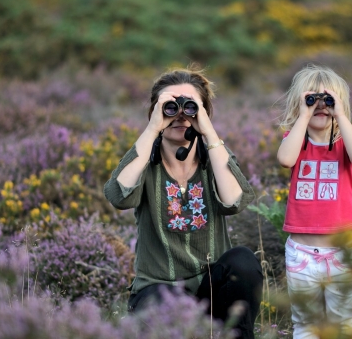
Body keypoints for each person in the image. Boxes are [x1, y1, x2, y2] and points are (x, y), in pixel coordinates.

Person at [103, 67, 263, 339]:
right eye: (169, 106)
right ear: (155, 111)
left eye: (189, 107)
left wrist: (210, 135)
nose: (180, 114)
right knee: (162, 310)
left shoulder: (214, 158)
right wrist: (153, 128)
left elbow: (234, 200)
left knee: (244, 262)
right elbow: (119, 194)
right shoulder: (145, 161)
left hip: (212, 289)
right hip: (158, 290)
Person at [277, 64, 352, 338]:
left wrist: (340, 115)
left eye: (328, 100)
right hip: (302, 253)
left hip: (342, 251)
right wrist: (303, 117)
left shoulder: (348, 141)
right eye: (312, 99)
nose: (321, 106)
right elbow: (285, 159)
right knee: (306, 324)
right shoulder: (294, 141)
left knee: (344, 323)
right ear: (299, 104)